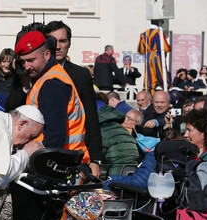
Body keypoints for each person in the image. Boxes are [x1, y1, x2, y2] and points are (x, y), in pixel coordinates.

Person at [13, 30, 90, 163]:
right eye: (23, 62)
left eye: (31, 60)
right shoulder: (48, 76)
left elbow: (54, 137)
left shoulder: (52, 84)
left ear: (47, 54)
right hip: (64, 157)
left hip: (60, 161)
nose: (27, 66)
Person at [42, 20, 103, 177]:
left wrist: (96, 160)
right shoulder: (35, 72)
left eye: (63, 41)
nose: (58, 46)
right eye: (53, 41)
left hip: (73, 155)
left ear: (69, 43)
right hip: (41, 152)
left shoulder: (81, 75)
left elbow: (91, 118)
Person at [98, 105, 140, 175]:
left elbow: (97, 156)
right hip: (131, 175)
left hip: (113, 175)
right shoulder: (126, 132)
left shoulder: (103, 132)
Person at [137, 20, 171, 93]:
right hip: (156, 55)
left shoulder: (144, 34)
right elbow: (165, 48)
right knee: (161, 75)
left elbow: (140, 50)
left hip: (148, 56)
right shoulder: (158, 33)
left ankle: (150, 95)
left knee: (149, 79)